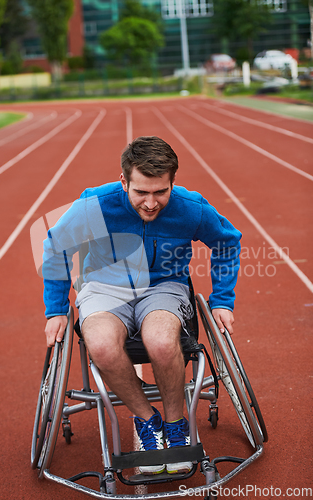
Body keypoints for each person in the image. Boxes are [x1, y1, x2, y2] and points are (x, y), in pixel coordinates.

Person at [42, 136, 241, 475]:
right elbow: (56, 247)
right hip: (105, 288)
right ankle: (149, 422)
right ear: (124, 182)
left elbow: (227, 242)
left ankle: (177, 428)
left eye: (160, 192)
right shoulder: (95, 204)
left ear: (172, 183)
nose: (150, 203)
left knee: (162, 341)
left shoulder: (191, 208)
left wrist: (222, 300)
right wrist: (57, 309)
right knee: (101, 344)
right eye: (141, 192)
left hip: (164, 286)